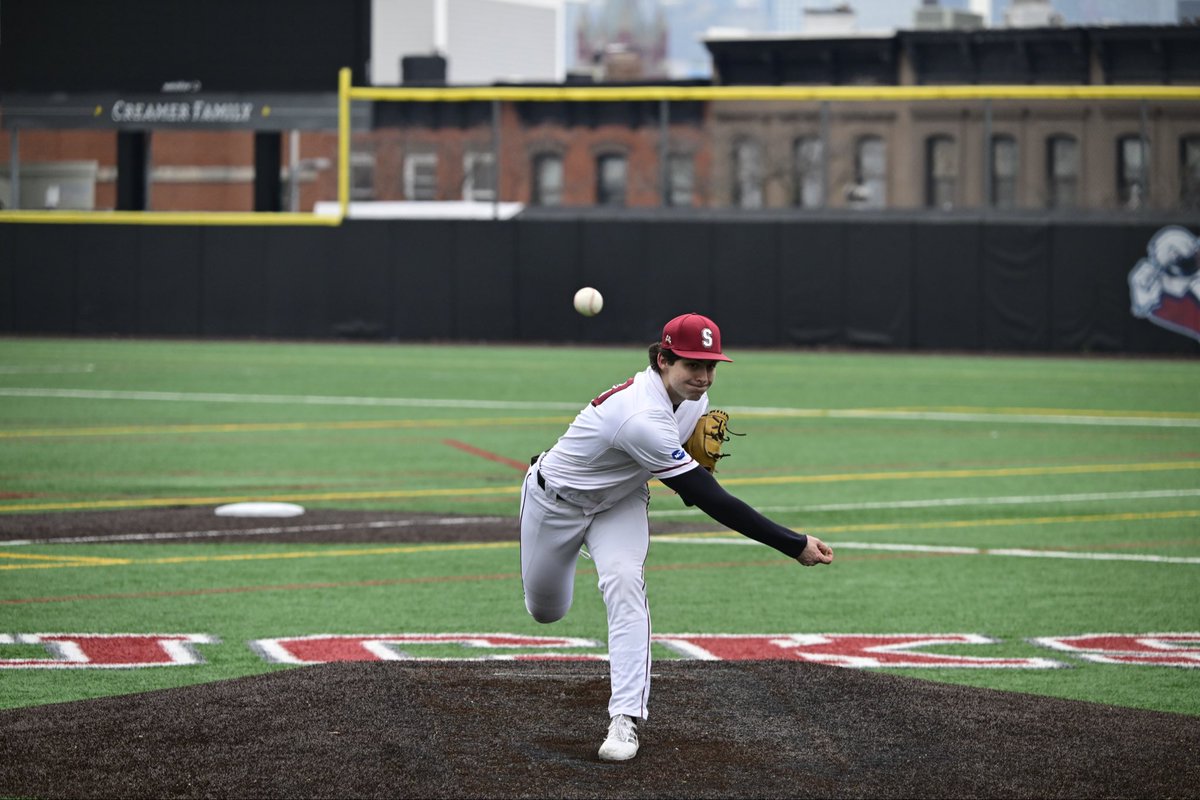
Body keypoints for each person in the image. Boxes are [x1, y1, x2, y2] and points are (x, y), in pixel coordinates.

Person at [519, 312, 834, 762]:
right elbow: (708, 498)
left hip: (620, 503)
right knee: (545, 611)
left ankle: (625, 720)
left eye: (711, 366)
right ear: (664, 359)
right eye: (692, 365)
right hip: (555, 503)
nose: (704, 377)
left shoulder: (693, 401)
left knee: (626, 583)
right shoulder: (639, 416)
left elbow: (687, 481)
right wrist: (793, 543)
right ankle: (557, 594)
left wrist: (691, 465)